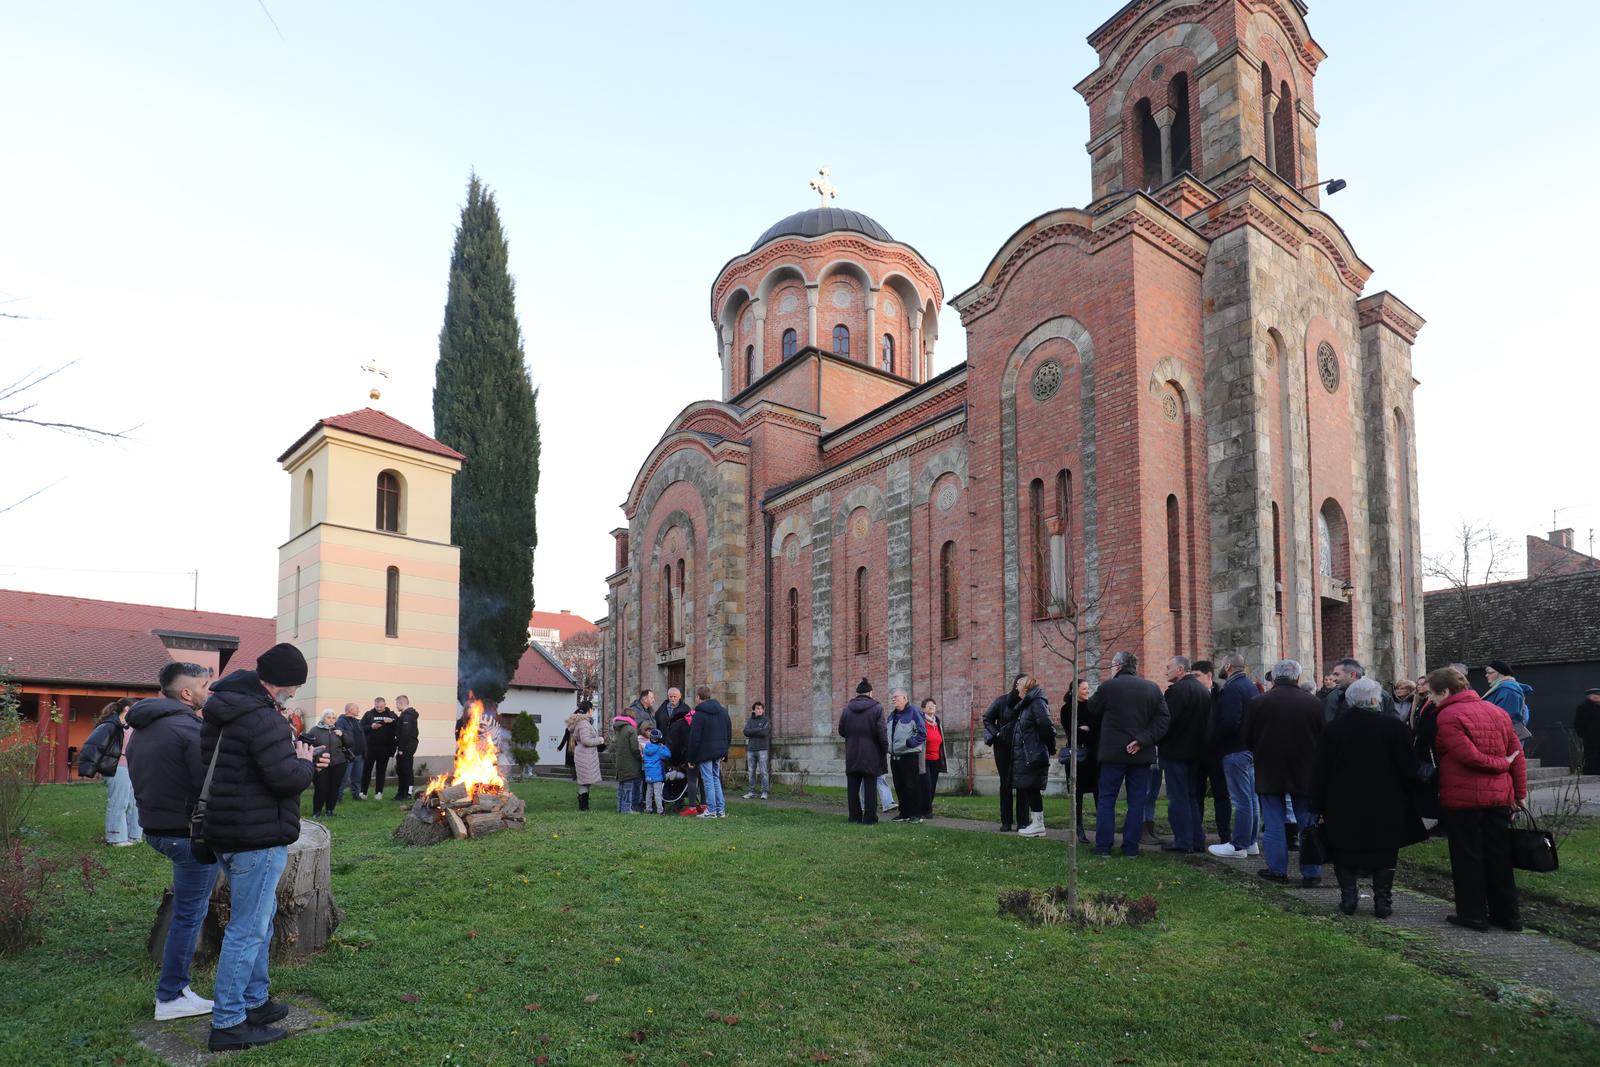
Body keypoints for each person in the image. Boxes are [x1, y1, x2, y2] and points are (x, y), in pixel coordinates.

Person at [199, 643, 327, 1052]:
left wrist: (299, 760)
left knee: (260, 920)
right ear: (282, 683)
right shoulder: (264, 718)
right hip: (257, 836)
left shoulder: (224, 710)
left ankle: (255, 1001)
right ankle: (228, 1023)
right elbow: (285, 779)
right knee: (248, 930)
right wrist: (305, 763)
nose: (295, 693)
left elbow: (244, 769)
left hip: (227, 829)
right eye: (296, 686)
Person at [127, 661, 218, 1021]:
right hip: (187, 835)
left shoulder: (144, 725)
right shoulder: (188, 729)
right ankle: (171, 995)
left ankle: (175, 991)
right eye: (204, 686)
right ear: (186, 692)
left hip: (156, 829)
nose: (208, 692)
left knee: (187, 910)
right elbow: (207, 784)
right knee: (189, 916)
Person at [1311, 677, 1426, 918]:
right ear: (1375, 700)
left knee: (1343, 849)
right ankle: (1383, 901)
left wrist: (1317, 803)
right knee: (1385, 850)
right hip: (1386, 799)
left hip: (1343, 799)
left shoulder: (1334, 729)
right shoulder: (1393, 727)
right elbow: (1409, 767)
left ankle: (1349, 898)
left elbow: (1320, 769)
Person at [1431, 667, 1527, 932]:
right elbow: (1517, 754)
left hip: (1464, 799)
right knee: (1499, 856)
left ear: (1445, 691)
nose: (1432, 700)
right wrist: (1520, 793)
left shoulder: (1449, 715)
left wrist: (1501, 764)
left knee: (1467, 857)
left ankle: (1473, 914)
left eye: (1433, 694)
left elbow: (1469, 756)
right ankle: (1508, 916)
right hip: (1498, 797)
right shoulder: (1496, 712)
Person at [1242, 660, 1325, 885]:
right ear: (1297, 677)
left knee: (1274, 822)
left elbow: (1247, 738)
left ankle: (1277, 870)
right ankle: (1312, 872)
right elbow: (1322, 738)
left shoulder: (1258, 702)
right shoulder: (1314, 703)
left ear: (1275, 676)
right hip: (1305, 770)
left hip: (1269, 769)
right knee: (1307, 822)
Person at [1091, 652, 1170, 858]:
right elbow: (1163, 720)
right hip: (1141, 754)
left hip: (1113, 753)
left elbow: (1092, 710)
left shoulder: (1108, 687)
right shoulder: (1152, 688)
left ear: (1118, 665)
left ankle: (1103, 846)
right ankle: (1131, 848)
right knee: (1137, 801)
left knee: (1107, 799)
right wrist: (1141, 740)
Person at [1208, 654, 1261, 859]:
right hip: (1249, 748)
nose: (1220, 668)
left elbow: (1230, 721)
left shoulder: (1232, 687)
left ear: (1228, 666)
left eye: (1222, 664)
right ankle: (1251, 842)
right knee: (1251, 798)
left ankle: (1238, 845)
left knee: (1241, 800)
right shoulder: (1250, 686)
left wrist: (1214, 740)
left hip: (1235, 749)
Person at [1160, 656, 1210, 854]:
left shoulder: (1177, 691)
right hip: (1197, 752)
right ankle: (1197, 840)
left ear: (1180, 669)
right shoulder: (1202, 690)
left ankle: (1183, 840)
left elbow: (1166, 721)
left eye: (1168, 667)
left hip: (1176, 752)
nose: (1166, 671)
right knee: (1191, 797)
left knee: (1178, 798)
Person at [79, 697, 143, 847]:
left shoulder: (133, 726)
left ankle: (134, 836)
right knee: (119, 802)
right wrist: (88, 768)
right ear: (127, 709)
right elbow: (93, 745)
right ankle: (116, 838)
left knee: (136, 803)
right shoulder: (110, 725)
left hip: (134, 768)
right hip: (118, 768)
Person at [1009, 676, 1056, 838]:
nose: (1016, 688)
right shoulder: (1028, 704)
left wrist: (1050, 748)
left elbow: (1046, 726)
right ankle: (1037, 823)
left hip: (1033, 754)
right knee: (1030, 788)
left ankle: (1038, 824)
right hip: (1028, 754)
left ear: (1026, 687)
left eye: (1018, 685)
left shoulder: (1036, 703)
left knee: (1033, 788)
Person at [1191, 660, 1232, 848]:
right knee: (1196, 795)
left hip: (1217, 753)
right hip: (1197, 752)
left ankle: (1225, 835)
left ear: (1208, 675)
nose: (1194, 679)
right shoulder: (1192, 694)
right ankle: (1197, 837)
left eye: (1197, 676)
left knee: (1222, 796)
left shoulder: (1222, 693)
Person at [839, 678, 888, 825]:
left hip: (852, 753)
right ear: (870, 692)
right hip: (871, 754)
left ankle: (854, 817)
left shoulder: (847, 709)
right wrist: (884, 750)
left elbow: (841, 730)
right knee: (870, 788)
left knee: (852, 788)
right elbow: (882, 732)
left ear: (857, 693)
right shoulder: (877, 708)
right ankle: (869, 818)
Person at [1062, 679, 1100, 844]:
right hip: (1077, 757)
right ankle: (1078, 828)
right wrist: (1086, 729)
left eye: (1088, 688)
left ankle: (1102, 829)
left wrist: (1087, 728)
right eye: (1084, 688)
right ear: (1074, 690)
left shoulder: (1093, 707)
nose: (1087, 691)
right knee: (1077, 794)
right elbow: (1072, 732)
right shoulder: (1067, 709)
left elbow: (1098, 728)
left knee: (1098, 791)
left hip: (1094, 757)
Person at [982, 683, 1023, 832]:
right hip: (1003, 748)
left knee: (1022, 783)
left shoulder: (1028, 702)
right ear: (1017, 686)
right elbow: (987, 718)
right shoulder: (1002, 701)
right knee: (1005, 783)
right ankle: (1006, 821)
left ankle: (1023, 822)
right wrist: (997, 734)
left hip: (1021, 747)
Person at [688, 685, 732, 819]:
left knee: (708, 780)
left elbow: (694, 738)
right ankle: (720, 810)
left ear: (698, 697)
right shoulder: (723, 712)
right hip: (718, 751)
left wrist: (691, 758)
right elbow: (728, 733)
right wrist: (725, 752)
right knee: (715, 779)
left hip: (705, 752)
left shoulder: (699, 715)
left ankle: (712, 810)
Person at [886, 690, 929, 824]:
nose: (893, 699)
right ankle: (904, 813)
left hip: (909, 756)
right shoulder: (892, 715)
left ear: (904, 698)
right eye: (892, 697)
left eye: (896, 697)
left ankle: (916, 814)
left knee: (912, 786)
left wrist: (909, 743)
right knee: (899, 786)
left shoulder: (914, 712)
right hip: (895, 756)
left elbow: (922, 733)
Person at [305, 708, 351, 818]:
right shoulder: (314, 730)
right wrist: (315, 759)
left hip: (338, 763)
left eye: (333, 718)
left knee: (334, 787)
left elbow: (350, 744)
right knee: (321, 787)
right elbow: (308, 746)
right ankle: (316, 811)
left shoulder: (339, 730)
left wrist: (342, 735)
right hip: (320, 763)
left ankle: (329, 810)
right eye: (328, 717)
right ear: (323, 718)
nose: (331, 720)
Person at [1323, 658, 1395, 722]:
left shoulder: (1382, 695)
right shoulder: (1334, 696)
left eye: (1337, 675)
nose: (1334, 679)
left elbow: (1394, 723)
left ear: (1352, 675)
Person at [1482, 661, 1533, 745]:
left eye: (1490, 672)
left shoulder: (1508, 690)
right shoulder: (1504, 689)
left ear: (1501, 674)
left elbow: (1507, 719)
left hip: (1502, 740)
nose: (1486, 675)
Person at [565, 700, 602, 811]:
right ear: (589, 710)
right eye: (592, 709)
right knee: (585, 782)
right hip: (586, 756)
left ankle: (584, 805)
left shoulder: (580, 722)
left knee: (585, 781)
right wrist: (600, 740)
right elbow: (586, 740)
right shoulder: (584, 723)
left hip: (584, 755)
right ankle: (583, 807)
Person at [360, 697, 398, 799]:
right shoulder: (369, 714)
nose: (379, 709)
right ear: (374, 705)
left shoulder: (391, 714)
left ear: (385, 705)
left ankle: (379, 793)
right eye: (377, 707)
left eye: (381, 707)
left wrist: (392, 720)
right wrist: (371, 727)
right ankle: (363, 792)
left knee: (381, 771)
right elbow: (361, 727)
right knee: (367, 770)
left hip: (385, 748)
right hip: (370, 748)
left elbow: (398, 724)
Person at [611, 706, 644, 814]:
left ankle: (620, 808)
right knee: (628, 787)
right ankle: (626, 809)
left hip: (620, 761)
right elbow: (634, 748)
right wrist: (640, 757)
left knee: (621, 786)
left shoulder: (618, 729)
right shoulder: (631, 729)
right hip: (630, 763)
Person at [336, 702, 366, 801]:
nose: (358, 710)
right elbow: (340, 737)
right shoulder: (341, 721)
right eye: (357, 708)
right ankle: (338, 797)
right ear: (350, 710)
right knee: (344, 778)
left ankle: (356, 795)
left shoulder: (357, 722)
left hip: (359, 755)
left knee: (357, 777)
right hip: (348, 754)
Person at [392, 695, 420, 800]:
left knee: (405, 769)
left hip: (406, 747)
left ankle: (407, 793)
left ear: (401, 703)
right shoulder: (406, 715)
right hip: (407, 746)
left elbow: (406, 733)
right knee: (401, 769)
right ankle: (402, 792)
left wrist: (401, 749)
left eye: (397, 704)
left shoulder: (407, 716)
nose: (396, 706)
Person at [742, 701, 771, 800]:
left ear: (763, 710)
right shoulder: (750, 721)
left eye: (761, 708)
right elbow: (745, 732)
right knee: (751, 772)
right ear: (754, 710)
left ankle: (764, 792)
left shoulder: (766, 720)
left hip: (762, 750)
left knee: (763, 772)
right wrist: (758, 729)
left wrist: (752, 731)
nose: (759, 710)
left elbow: (764, 732)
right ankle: (751, 792)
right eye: (757, 708)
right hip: (751, 749)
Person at [922, 699, 946, 811]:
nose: (931, 706)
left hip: (936, 760)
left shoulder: (937, 723)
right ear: (923, 708)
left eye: (933, 705)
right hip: (924, 759)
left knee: (933, 786)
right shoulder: (921, 722)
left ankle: (927, 807)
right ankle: (926, 810)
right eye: (928, 705)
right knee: (926, 785)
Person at [642, 729, 672, 814]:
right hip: (657, 775)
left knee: (649, 792)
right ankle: (660, 810)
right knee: (657, 793)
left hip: (648, 774)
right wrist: (663, 746)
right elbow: (668, 755)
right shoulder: (659, 749)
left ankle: (648, 808)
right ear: (659, 739)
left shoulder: (646, 747)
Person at [1574, 688, 1600, 775]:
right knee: (1592, 756)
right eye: (1596, 695)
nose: (1598, 697)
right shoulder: (1583, 708)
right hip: (1591, 738)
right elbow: (1579, 724)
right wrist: (1584, 735)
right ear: (1590, 696)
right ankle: (1591, 772)